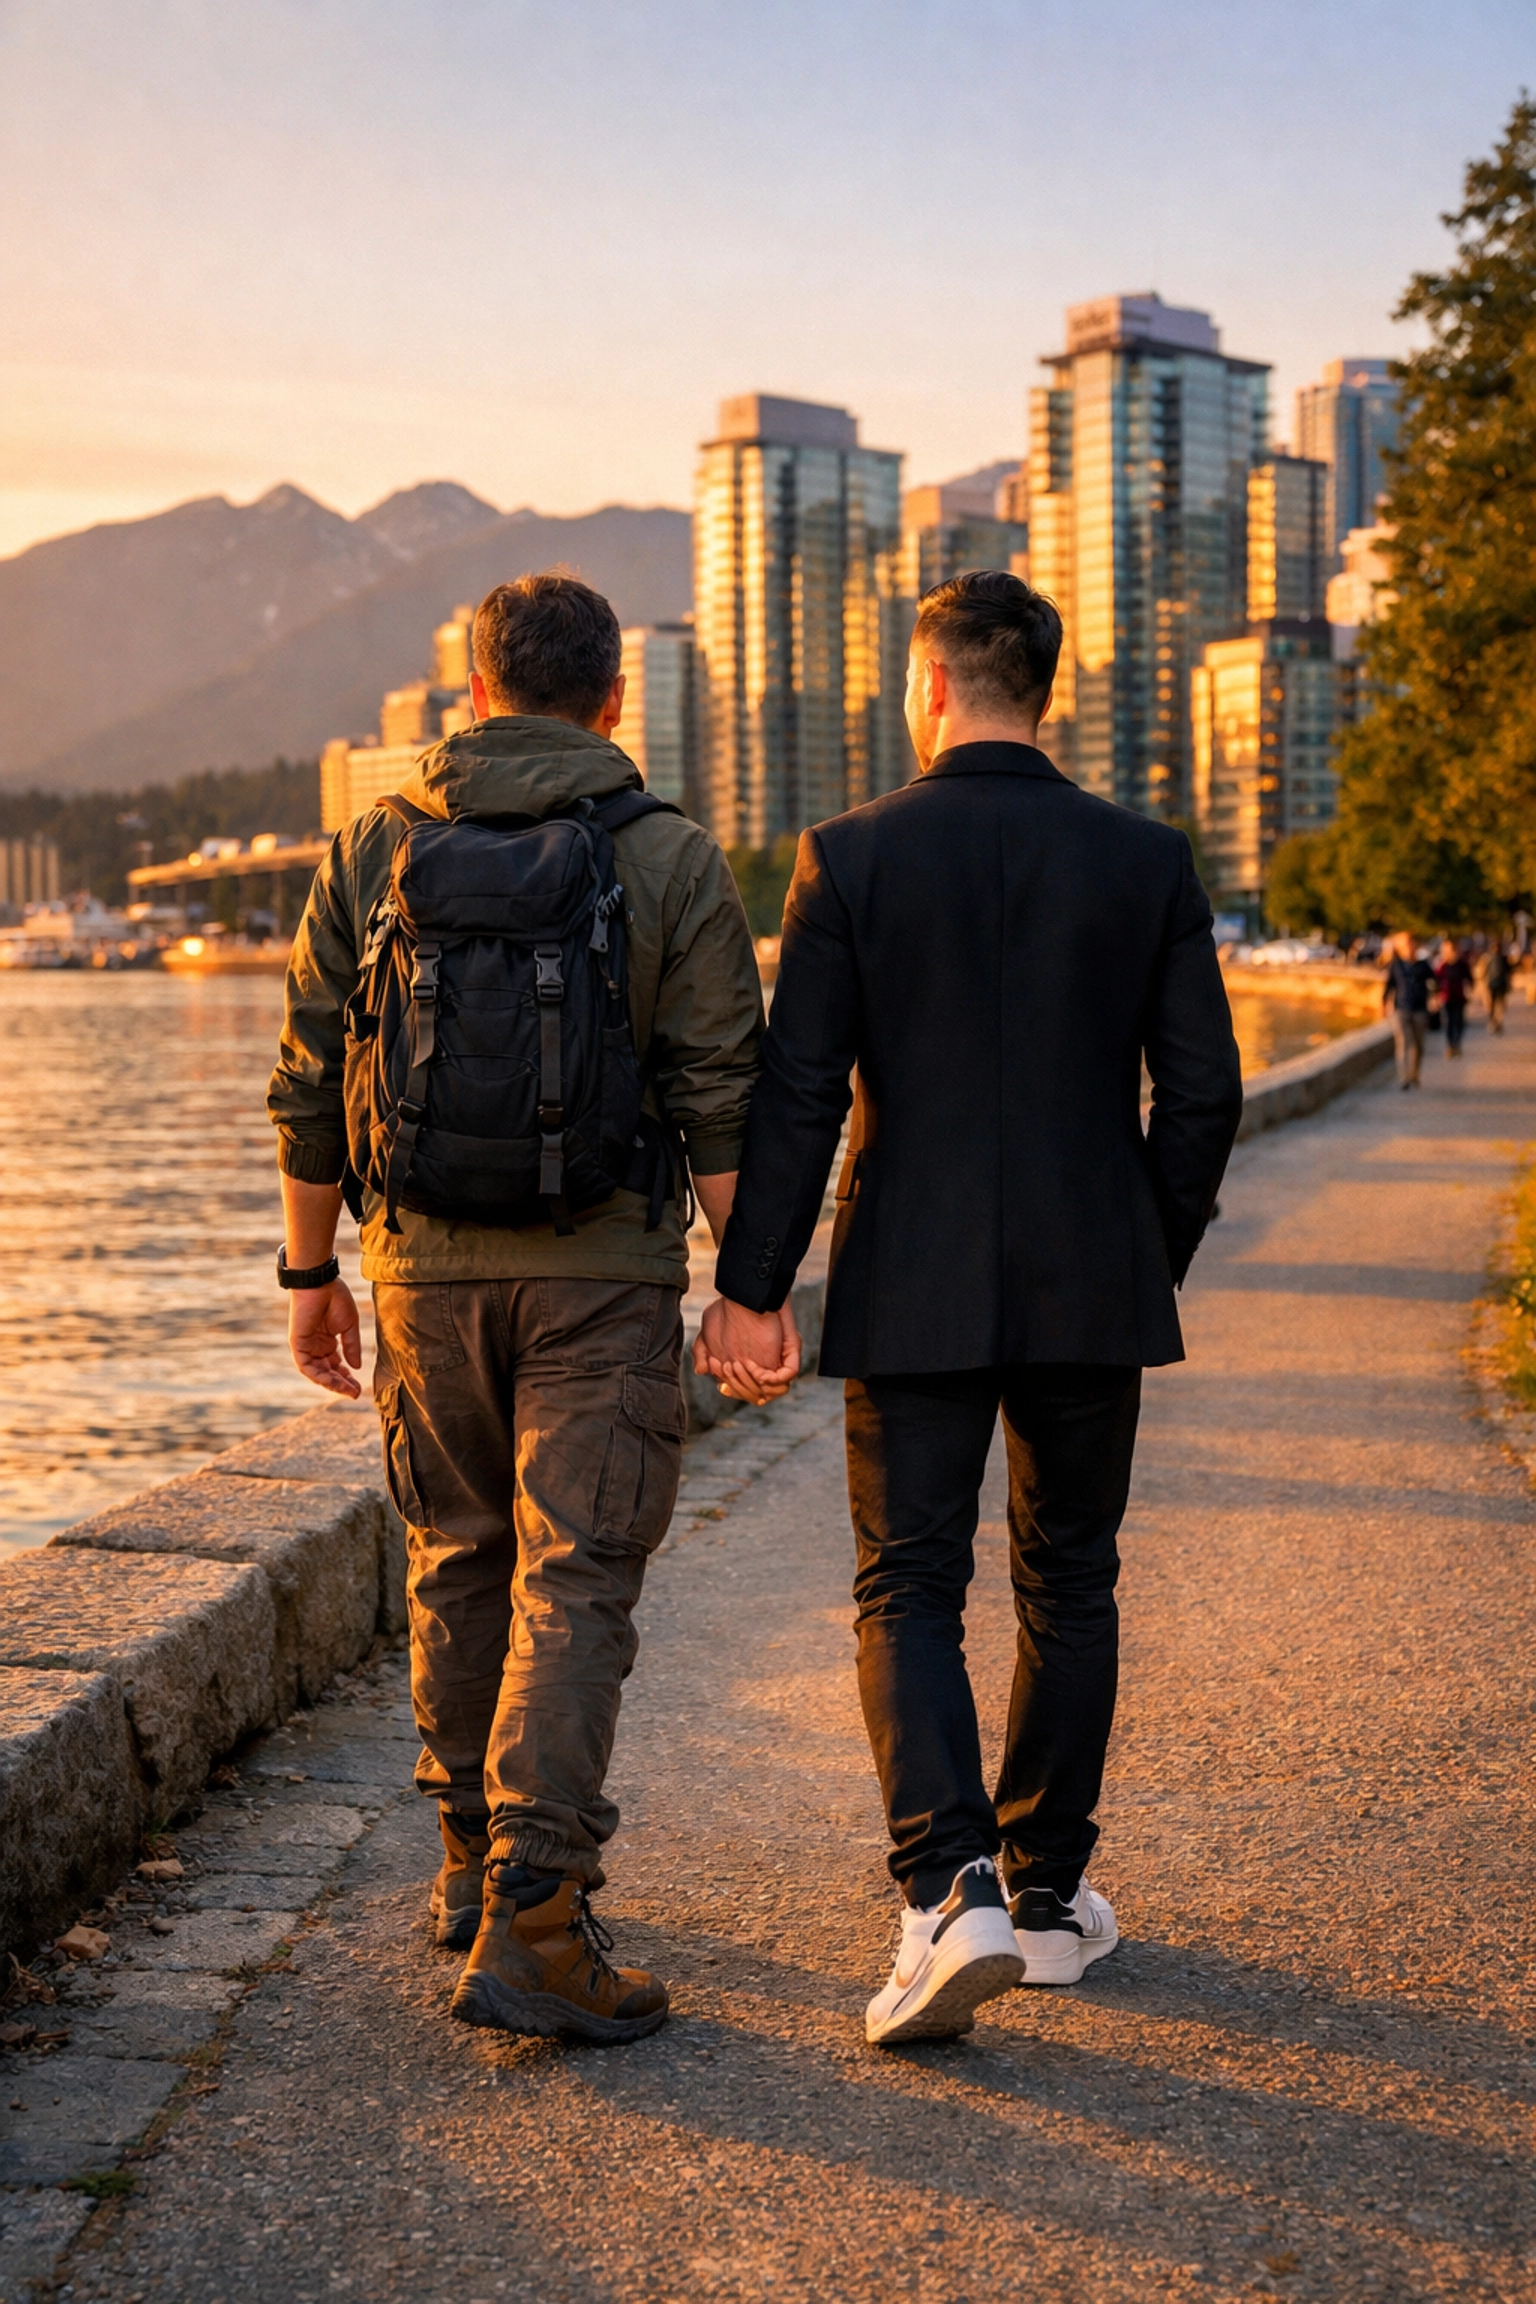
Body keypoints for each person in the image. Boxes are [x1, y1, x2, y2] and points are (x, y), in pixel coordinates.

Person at [694, 570, 1244, 2047]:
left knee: (911, 1585)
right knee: (1072, 1580)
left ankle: (952, 1895)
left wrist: (751, 1291)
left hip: (914, 1275)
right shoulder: (1142, 858)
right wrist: (1147, 1251)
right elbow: (1202, 1096)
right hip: (1090, 1277)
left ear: (929, 684)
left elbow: (800, 1094)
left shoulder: (848, 858)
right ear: (1040, 689)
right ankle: (1051, 1904)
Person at [268, 572, 764, 2044]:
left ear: (473, 696)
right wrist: (749, 1292)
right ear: (615, 702)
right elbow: (720, 1091)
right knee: (576, 1577)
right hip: (603, 1279)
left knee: (457, 1554)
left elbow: (307, 1083)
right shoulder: (668, 851)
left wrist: (312, 1277)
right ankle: (540, 1924)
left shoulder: (375, 840)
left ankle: (470, 1866)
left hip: (418, 1275)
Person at [1383, 932, 1434, 1088]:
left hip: (1420, 1009)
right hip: (1401, 1008)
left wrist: (1436, 998)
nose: (1409, 948)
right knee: (1403, 1042)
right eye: (1405, 945)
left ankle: (1414, 1074)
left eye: (1411, 944)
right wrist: (1383, 1004)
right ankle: (1404, 1077)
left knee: (1418, 1045)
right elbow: (1389, 986)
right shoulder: (1396, 965)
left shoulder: (1424, 965)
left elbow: (1434, 982)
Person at [1435, 936, 1474, 1059]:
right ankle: (1450, 1046)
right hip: (1446, 998)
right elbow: (1436, 981)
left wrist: (1469, 989)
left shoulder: (1462, 964)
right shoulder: (1442, 965)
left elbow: (1470, 979)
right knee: (1448, 1022)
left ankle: (1457, 1043)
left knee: (1459, 1022)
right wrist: (1436, 995)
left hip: (1460, 997)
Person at [1484, 941, 1511, 1034]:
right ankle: (1497, 1023)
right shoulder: (1503, 958)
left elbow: (1486, 973)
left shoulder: (1489, 958)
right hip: (1500, 985)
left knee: (1494, 1005)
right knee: (1499, 1005)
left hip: (1493, 985)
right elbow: (1509, 972)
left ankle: (1494, 1023)